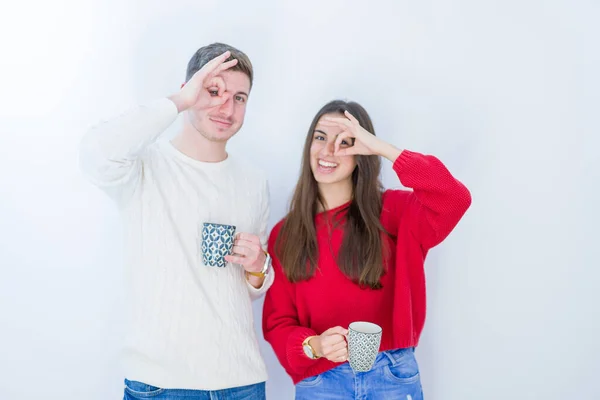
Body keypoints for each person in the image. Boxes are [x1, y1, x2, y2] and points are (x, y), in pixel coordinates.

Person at [80, 43, 273, 399]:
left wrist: (259, 267)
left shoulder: (254, 181)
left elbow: (244, 289)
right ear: (191, 88)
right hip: (161, 385)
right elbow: (95, 151)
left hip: (242, 382)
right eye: (213, 91)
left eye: (240, 97)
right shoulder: (143, 166)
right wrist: (179, 101)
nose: (226, 107)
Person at [262, 100, 472, 399]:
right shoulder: (285, 234)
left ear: (362, 153)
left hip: (392, 376)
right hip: (321, 382)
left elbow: (454, 197)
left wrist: (383, 148)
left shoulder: (397, 212)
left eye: (345, 142)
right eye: (320, 137)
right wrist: (314, 345)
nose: (328, 151)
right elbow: (277, 321)